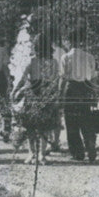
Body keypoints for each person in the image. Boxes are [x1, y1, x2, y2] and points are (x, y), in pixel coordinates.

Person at [13, 34, 60, 165]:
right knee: (45, 126)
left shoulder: (31, 61)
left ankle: (31, 153)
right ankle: (42, 155)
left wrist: (15, 91)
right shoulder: (54, 62)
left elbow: (22, 79)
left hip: (33, 95)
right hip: (46, 95)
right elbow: (55, 81)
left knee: (30, 126)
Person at [59, 29, 99, 162]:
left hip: (71, 90)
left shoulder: (65, 57)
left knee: (71, 123)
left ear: (69, 42)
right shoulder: (90, 57)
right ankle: (90, 144)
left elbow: (63, 78)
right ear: (81, 42)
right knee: (86, 120)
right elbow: (94, 78)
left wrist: (60, 95)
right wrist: (94, 93)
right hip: (85, 89)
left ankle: (78, 152)